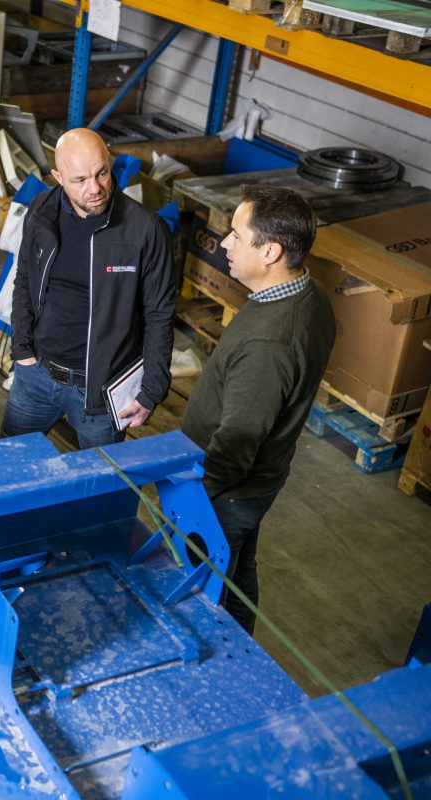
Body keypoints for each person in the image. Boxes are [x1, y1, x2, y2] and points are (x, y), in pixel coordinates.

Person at [182, 185, 336, 633]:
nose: (225, 244)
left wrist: (194, 492)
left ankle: (223, 672)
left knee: (204, 588)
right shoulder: (310, 295)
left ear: (270, 251)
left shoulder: (270, 343)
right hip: (260, 483)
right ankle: (243, 642)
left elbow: (238, 441)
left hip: (228, 492)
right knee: (238, 569)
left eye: (235, 235)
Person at [2, 128, 175, 449]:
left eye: (102, 173)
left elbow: (159, 315)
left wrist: (152, 390)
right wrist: (23, 350)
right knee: (6, 469)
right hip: (37, 376)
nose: (94, 188)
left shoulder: (145, 231)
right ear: (58, 177)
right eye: (80, 180)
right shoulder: (42, 211)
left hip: (102, 391)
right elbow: (24, 278)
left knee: (98, 489)